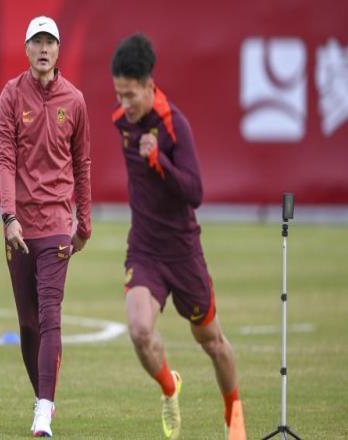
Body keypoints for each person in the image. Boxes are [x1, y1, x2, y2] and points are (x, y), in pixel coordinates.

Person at [110, 34, 246, 439]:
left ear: (150, 86)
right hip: (144, 249)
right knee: (139, 331)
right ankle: (170, 387)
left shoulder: (174, 125)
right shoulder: (122, 123)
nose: (125, 104)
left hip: (183, 252)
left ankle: (234, 416)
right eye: (119, 94)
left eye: (131, 95)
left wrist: (159, 161)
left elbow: (195, 192)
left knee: (211, 340)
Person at [0, 16, 91, 438]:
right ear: (27, 49)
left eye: (50, 42)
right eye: (37, 42)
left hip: (56, 224)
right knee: (28, 324)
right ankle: (43, 399)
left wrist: (84, 222)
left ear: (58, 49)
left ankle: (44, 411)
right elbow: (5, 158)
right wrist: (9, 216)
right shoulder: (11, 95)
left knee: (51, 316)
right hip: (19, 228)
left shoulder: (75, 100)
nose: (43, 49)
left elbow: (82, 164)